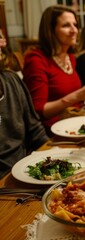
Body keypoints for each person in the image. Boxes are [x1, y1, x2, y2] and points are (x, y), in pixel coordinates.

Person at [23, 5, 85, 133]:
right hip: (52, 131)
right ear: (50, 30)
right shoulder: (36, 60)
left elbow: (73, 98)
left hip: (76, 123)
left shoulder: (70, 57)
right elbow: (39, 110)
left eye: (75, 25)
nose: (74, 30)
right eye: (66, 25)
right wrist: (76, 96)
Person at [0, 37, 48, 178]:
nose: (3, 43)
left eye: (1, 37)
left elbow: (35, 132)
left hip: (25, 171)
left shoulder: (11, 80)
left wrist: (58, 155)